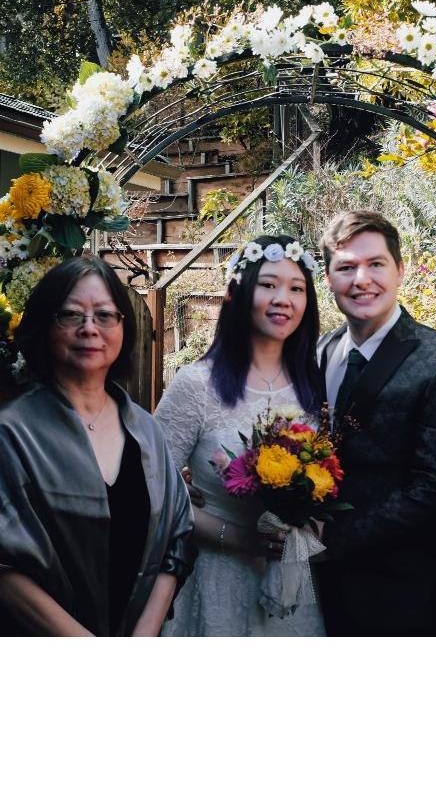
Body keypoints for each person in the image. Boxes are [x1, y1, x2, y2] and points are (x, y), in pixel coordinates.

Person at [0, 256, 194, 636]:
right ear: (44, 326)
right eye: (71, 315)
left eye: (105, 315)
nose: (90, 329)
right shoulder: (9, 433)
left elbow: (177, 539)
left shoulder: (146, 430)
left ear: (124, 327)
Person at [155, 234, 326, 636]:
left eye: (296, 288)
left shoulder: (317, 386)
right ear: (238, 292)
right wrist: (236, 537)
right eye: (268, 284)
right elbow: (153, 491)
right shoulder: (197, 385)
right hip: (217, 579)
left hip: (293, 587)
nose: (283, 298)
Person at [315, 211, 436, 636]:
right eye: (345, 268)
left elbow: (432, 487)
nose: (361, 279)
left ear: (400, 270)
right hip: (315, 586)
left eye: (375, 264)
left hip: (401, 589)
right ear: (328, 278)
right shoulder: (320, 351)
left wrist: (328, 538)